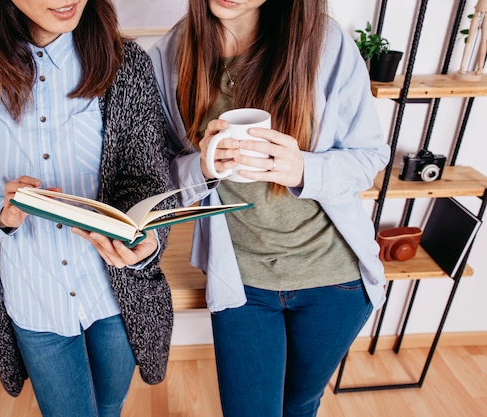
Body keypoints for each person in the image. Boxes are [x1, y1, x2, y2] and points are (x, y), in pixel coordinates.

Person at [0, 1, 175, 416]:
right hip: (33, 297)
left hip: (115, 297)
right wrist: (0, 213)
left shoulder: (126, 63)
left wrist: (145, 238)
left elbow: (149, 179)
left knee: (110, 408)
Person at [149, 1, 390, 416]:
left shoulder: (324, 43)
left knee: (300, 405)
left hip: (336, 280)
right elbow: (154, 175)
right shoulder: (170, 54)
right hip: (243, 281)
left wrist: (303, 169)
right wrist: (202, 167)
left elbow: (369, 156)